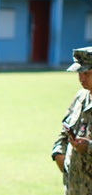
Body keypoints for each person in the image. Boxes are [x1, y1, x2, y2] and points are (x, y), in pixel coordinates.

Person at [51, 46, 92, 194]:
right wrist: (58, 154)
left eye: (86, 73)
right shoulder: (81, 97)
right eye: (79, 72)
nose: (81, 78)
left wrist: (88, 147)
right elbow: (64, 132)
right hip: (74, 188)